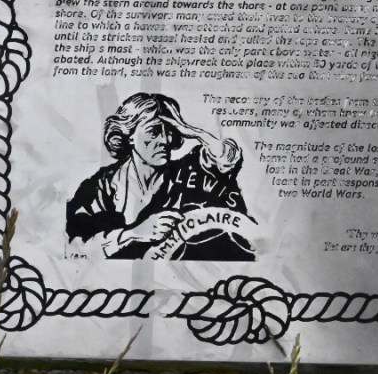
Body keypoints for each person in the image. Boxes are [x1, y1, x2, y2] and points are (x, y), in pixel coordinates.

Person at [65, 92, 254, 260]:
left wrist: (193, 132)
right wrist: (133, 234)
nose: (165, 140)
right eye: (154, 131)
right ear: (129, 136)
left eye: (170, 131)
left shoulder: (188, 170)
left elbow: (227, 158)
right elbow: (75, 247)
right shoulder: (101, 185)